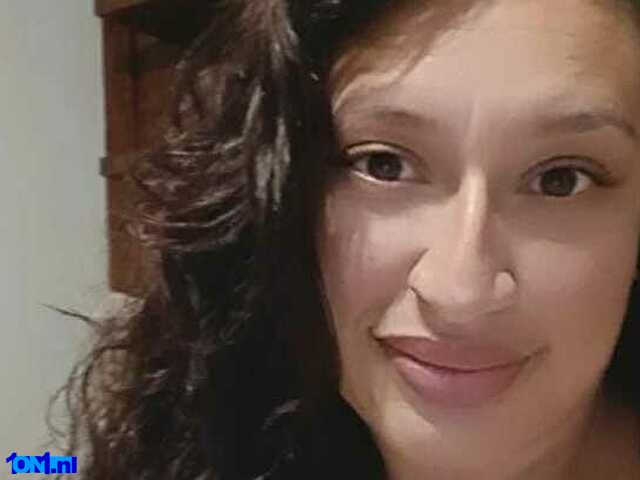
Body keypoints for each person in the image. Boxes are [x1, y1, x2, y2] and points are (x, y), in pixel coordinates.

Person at [51, 0, 640, 478]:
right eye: (383, 165)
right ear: (285, 193)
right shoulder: (201, 439)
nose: (461, 292)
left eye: (561, 180)